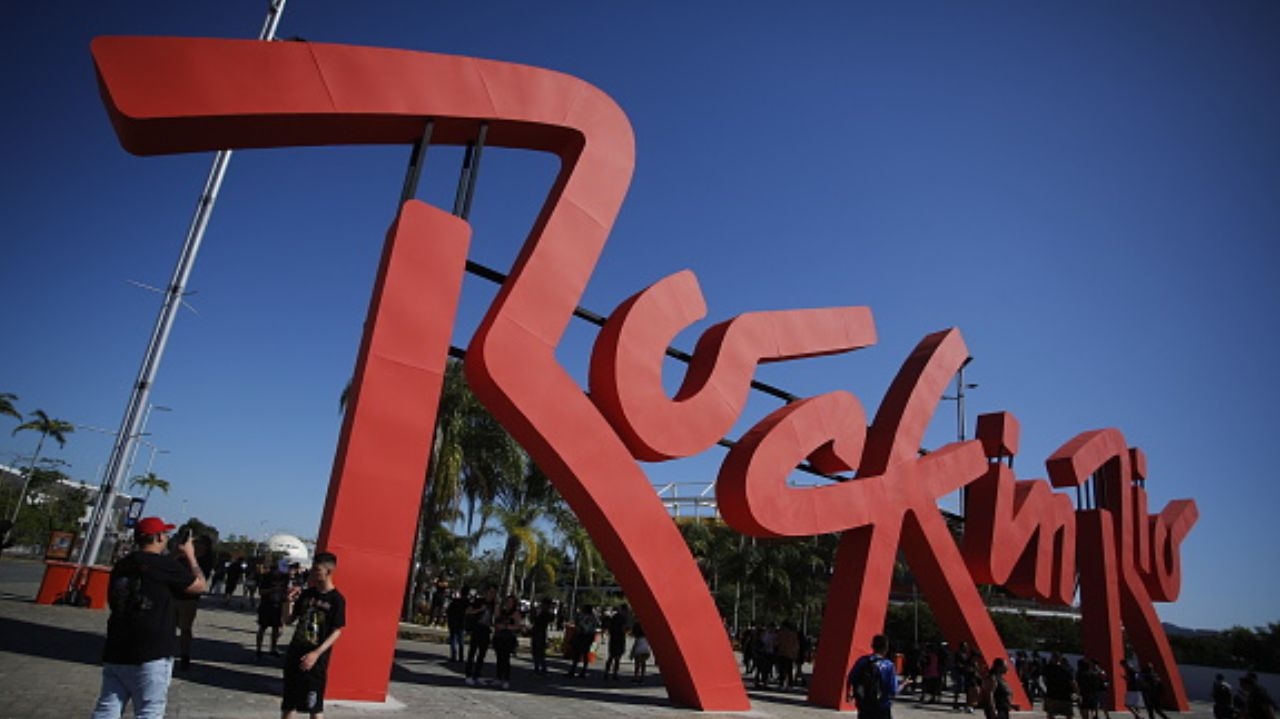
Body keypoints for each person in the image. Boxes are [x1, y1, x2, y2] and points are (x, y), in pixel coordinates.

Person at [88, 516, 207, 719]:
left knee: (107, 707)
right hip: (152, 651)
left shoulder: (123, 564)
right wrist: (190, 556)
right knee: (149, 711)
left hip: (117, 647)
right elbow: (199, 585)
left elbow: (152, 571)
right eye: (165, 534)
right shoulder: (163, 566)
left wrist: (173, 557)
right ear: (159, 536)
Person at [281, 552, 345, 719]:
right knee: (288, 703)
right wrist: (288, 601)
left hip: (316, 661)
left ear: (328, 572)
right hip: (296, 652)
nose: (313, 573)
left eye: (317, 570)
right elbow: (288, 620)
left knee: (314, 707)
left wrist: (316, 653)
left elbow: (337, 631)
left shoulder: (337, 600)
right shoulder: (307, 594)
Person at [174, 533, 214, 670]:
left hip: (189, 598)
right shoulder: (182, 556)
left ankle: (184, 655)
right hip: (173, 594)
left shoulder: (204, 560)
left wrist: (191, 558)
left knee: (185, 627)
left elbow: (201, 580)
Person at [847, 634, 899, 719]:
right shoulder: (889, 665)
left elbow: (851, 678)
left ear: (872, 646)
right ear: (886, 648)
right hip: (882, 706)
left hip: (864, 704)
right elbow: (893, 690)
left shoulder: (862, 661)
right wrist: (904, 684)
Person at [464, 585, 497, 684]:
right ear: (486, 592)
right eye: (490, 592)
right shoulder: (478, 601)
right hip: (477, 628)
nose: (492, 595)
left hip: (486, 630)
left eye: (494, 593)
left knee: (482, 654)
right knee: (472, 652)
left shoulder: (493, 604)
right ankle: (468, 674)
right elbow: (468, 611)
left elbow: (495, 616)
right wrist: (479, 610)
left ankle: (477, 674)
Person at [256, 558, 288, 659]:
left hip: (278, 606)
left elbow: (284, 593)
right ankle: (259, 649)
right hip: (266, 605)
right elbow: (260, 592)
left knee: (276, 629)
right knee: (262, 628)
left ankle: (273, 648)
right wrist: (272, 590)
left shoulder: (284, 579)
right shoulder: (267, 577)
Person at [491, 594, 523, 689]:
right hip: (499, 637)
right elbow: (496, 618)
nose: (508, 604)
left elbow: (519, 626)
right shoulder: (503, 611)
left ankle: (506, 679)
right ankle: (498, 677)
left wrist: (506, 627)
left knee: (506, 659)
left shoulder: (515, 613)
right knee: (499, 658)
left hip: (508, 638)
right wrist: (497, 605)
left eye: (510, 602)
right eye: (507, 602)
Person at [567, 604, 598, 678]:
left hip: (583, 635)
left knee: (578, 653)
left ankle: (574, 670)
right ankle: (582, 670)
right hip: (588, 636)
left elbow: (582, 625)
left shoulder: (585, 617)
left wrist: (579, 626)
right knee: (584, 653)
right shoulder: (593, 617)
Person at [604, 604, 630, 681]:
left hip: (613, 638)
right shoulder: (623, 618)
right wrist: (627, 631)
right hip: (620, 638)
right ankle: (615, 674)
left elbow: (609, 626)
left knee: (611, 656)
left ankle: (606, 672)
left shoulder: (614, 617)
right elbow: (623, 629)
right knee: (617, 658)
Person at [529, 597, 554, 675]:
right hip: (539, 632)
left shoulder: (545, 613)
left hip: (540, 632)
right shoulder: (543, 612)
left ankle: (540, 668)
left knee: (539, 651)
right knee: (538, 651)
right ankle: (539, 668)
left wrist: (534, 613)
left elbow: (535, 620)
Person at [445, 587, 471, 664]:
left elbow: (448, 611)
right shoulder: (468, 603)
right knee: (461, 641)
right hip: (462, 623)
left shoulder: (455, 602)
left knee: (453, 639)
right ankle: (461, 657)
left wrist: (449, 620)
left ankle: (453, 656)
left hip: (453, 623)